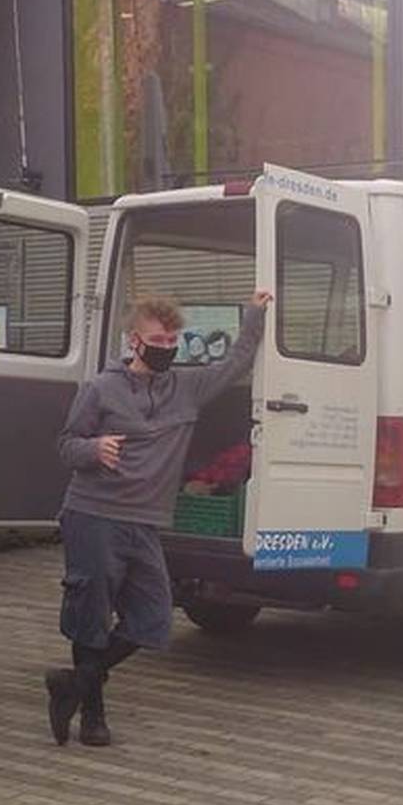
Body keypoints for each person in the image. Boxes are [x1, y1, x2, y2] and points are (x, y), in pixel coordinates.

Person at [45, 290, 273, 747]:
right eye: (157, 340)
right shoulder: (100, 389)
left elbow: (235, 363)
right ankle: (92, 716)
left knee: (153, 618)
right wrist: (94, 449)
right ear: (134, 341)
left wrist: (254, 315)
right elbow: (66, 445)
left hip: (145, 521)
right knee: (92, 614)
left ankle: (74, 683)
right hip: (94, 513)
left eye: (173, 340)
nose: (166, 347)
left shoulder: (186, 387)